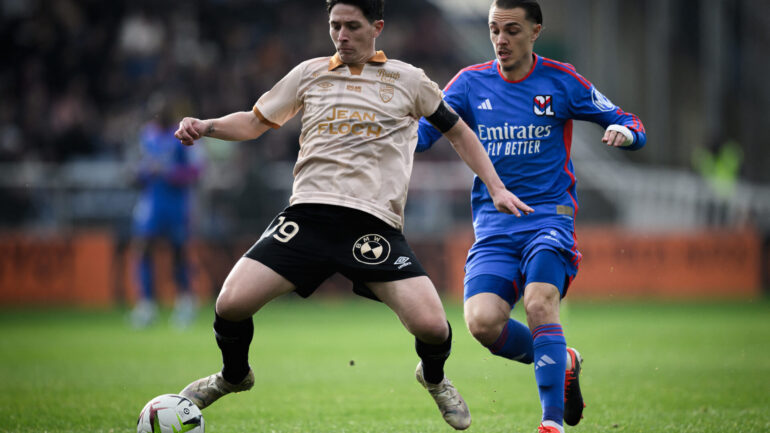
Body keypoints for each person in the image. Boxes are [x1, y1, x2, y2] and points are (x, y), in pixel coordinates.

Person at [173, 0, 532, 430]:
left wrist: (496, 186)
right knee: (230, 304)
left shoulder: (409, 80)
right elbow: (253, 122)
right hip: (307, 217)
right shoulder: (310, 73)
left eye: (351, 26)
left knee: (434, 328)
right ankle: (233, 377)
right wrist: (206, 125)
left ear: (376, 27)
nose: (341, 35)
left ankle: (433, 379)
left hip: (372, 225)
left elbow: (459, 132)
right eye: (334, 26)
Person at [416, 1, 646, 432]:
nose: (501, 40)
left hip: (549, 220)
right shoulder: (468, 84)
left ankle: (551, 423)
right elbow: (423, 136)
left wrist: (627, 132)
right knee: (482, 323)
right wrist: (378, 140)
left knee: (541, 303)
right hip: (494, 228)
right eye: (494, 30)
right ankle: (563, 360)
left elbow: (627, 119)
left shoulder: (562, 81)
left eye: (512, 30)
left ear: (536, 31)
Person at [130, 96, 204, 329]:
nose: (159, 115)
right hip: (152, 203)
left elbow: (196, 171)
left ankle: (185, 302)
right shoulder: (146, 135)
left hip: (177, 204)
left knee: (179, 253)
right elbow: (138, 167)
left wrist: (171, 173)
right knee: (143, 250)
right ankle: (146, 305)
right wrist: (142, 172)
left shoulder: (183, 135)